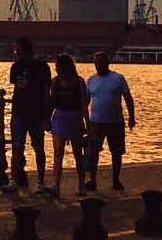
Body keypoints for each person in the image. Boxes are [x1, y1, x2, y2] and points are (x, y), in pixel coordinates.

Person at [85, 51, 135, 192]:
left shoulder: (118, 78)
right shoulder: (91, 80)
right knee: (93, 153)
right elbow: (86, 101)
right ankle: (92, 181)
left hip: (115, 122)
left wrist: (131, 117)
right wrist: (84, 120)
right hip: (95, 122)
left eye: (101, 63)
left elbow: (128, 98)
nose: (98, 65)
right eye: (96, 63)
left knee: (116, 153)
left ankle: (116, 180)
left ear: (107, 63)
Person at [9, 37, 51, 190]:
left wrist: (47, 115)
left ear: (27, 51)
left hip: (36, 113)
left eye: (19, 51)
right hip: (19, 112)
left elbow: (46, 91)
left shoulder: (42, 67)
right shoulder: (16, 67)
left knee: (38, 148)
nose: (17, 53)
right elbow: (15, 86)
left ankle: (40, 181)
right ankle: (15, 179)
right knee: (16, 147)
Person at [47, 53, 89, 197]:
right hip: (59, 116)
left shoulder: (79, 82)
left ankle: (81, 184)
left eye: (58, 66)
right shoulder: (55, 82)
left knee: (78, 153)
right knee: (58, 153)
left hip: (74, 116)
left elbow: (83, 104)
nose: (56, 68)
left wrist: (86, 122)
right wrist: (47, 119)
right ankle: (56, 185)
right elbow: (52, 102)